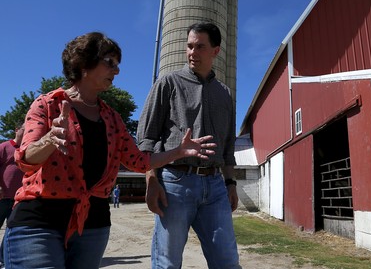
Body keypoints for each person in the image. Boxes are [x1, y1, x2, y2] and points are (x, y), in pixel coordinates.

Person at [3, 32, 217, 269]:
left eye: (117, 65)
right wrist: (51, 139)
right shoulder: (48, 104)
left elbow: (139, 161)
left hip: (93, 225)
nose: (116, 71)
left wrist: (177, 152)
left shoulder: (112, 118)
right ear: (84, 64)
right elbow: (25, 159)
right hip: (39, 222)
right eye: (110, 63)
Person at [137, 22, 241, 269]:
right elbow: (146, 138)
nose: (192, 52)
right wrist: (151, 181)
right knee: (167, 263)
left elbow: (227, 145)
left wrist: (230, 183)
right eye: (189, 46)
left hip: (215, 186)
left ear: (215, 51)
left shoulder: (224, 93)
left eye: (200, 47)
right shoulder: (168, 83)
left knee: (227, 262)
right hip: (175, 183)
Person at [0, 123, 25, 267]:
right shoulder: (4, 147)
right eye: (25, 129)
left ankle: (4, 259)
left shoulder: (28, 149)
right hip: (2, 197)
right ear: (17, 130)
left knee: (12, 229)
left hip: (19, 198)